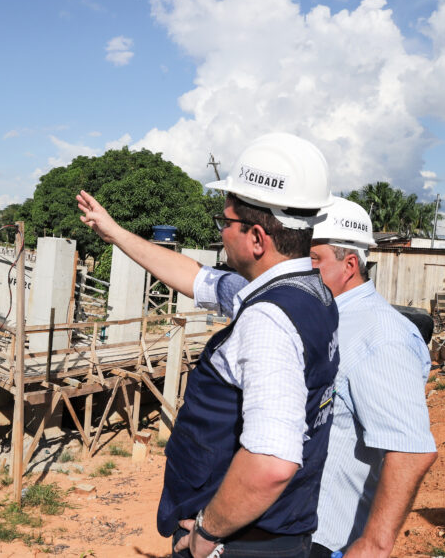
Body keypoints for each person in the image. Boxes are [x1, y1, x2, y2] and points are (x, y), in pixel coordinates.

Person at [77, 132, 340, 558]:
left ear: (257, 238)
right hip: (274, 533)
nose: (221, 232)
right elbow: (194, 277)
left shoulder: (269, 319)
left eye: (225, 222)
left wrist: (206, 534)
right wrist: (115, 233)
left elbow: (272, 462)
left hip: (239, 543)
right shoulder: (306, 292)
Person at [309, 197, 437, 558]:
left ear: (349, 264)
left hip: (327, 540)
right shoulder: (326, 316)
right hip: (294, 528)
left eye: (313, 259)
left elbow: (410, 451)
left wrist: (374, 545)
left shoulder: (381, 334)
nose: (302, 268)